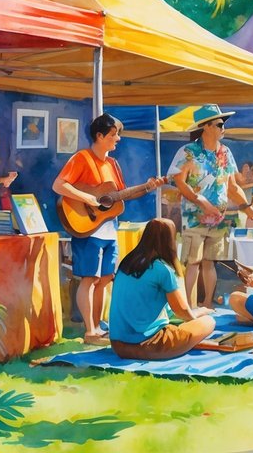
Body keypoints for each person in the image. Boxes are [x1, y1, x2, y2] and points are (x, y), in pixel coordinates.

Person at [54, 113, 166, 346]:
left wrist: (148, 187)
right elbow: (59, 185)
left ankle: (97, 326)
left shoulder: (113, 164)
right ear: (99, 135)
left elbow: (120, 195)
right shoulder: (81, 158)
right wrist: (87, 198)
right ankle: (89, 331)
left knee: (105, 278)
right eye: (114, 134)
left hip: (108, 230)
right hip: (88, 229)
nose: (118, 139)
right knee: (89, 279)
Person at [168, 105, 253, 310]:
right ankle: (189, 307)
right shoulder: (188, 152)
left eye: (223, 124)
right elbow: (179, 181)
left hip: (218, 218)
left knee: (210, 261)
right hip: (194, 217)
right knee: (193, 262)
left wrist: (247, 209)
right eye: (219, 124)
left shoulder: (225, 152)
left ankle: (206, 303)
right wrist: (200, 201)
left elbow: (232, 186)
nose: (223, 128)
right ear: (206, 126)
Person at [109, 218, 216, 360]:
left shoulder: (127, 263)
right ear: (170, 240)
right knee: (209, 321)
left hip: (118, 346)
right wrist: (196, 317)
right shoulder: (162, 269)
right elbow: (181, 311)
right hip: (149, 344)